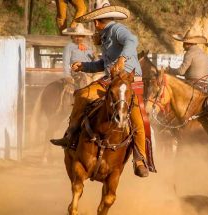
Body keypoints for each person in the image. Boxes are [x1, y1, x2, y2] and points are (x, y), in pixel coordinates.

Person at [50, 0, 151, 177]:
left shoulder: (116, 29)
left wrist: (122, 59)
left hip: (129, 80)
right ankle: (72, 134)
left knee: (137, 119)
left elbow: (132, 40)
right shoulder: (105, 36)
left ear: (98, 21)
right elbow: (103, 64)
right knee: (82, 94)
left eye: (96, 21)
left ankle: (140, 158)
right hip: (111, 80)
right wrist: (84, 66)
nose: (95, 24)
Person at [62, 23, 100, 88]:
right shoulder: (69, 47)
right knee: (84, 78)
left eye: (81, 36)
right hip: (77, 72)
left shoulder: (89, 47)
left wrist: (96, 57)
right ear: (72, 36)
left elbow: (95, 61)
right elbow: (66, 62)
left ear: (84, 36)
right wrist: (67, 75)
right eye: (76, 36)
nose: (79, 38)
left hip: (90, 71)